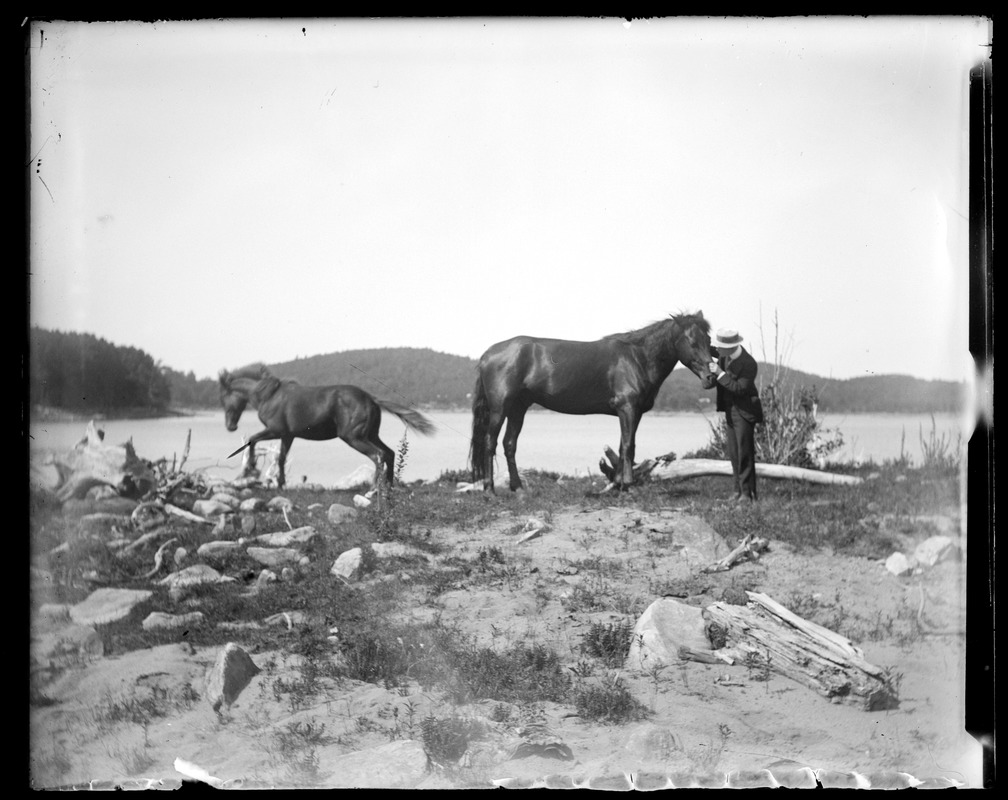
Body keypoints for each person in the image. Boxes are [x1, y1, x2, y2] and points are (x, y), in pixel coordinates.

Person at [709, 328, 762, 503]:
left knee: (744, 453)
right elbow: (711, 351)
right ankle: (737, 491)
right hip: (731, 410)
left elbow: (739, 389)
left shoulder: (748, 363)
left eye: (720, 348)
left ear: (731, 347)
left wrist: (719, 373)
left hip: (745, 412)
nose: (718, 351)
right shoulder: (725, 356)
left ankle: (747, 494)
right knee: (734, 453)